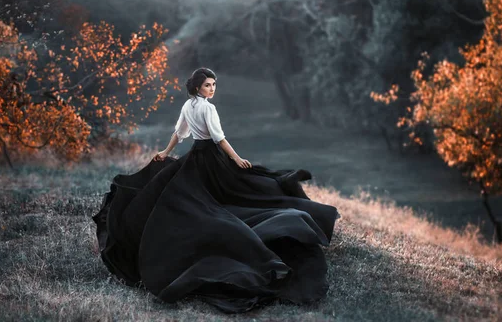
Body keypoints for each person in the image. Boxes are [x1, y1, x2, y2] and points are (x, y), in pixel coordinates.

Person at [92, 67, 340, 313]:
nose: (212, 89)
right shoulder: (207, 108)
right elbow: (218, 138)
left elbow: (179, 133)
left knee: (208, 193)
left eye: (214, 84)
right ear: (198, 86)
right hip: (211, 157)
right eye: (208, 85)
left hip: (194, 158)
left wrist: (166, 153)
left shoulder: (188, 106)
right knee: (240, 190)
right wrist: (236, 159)